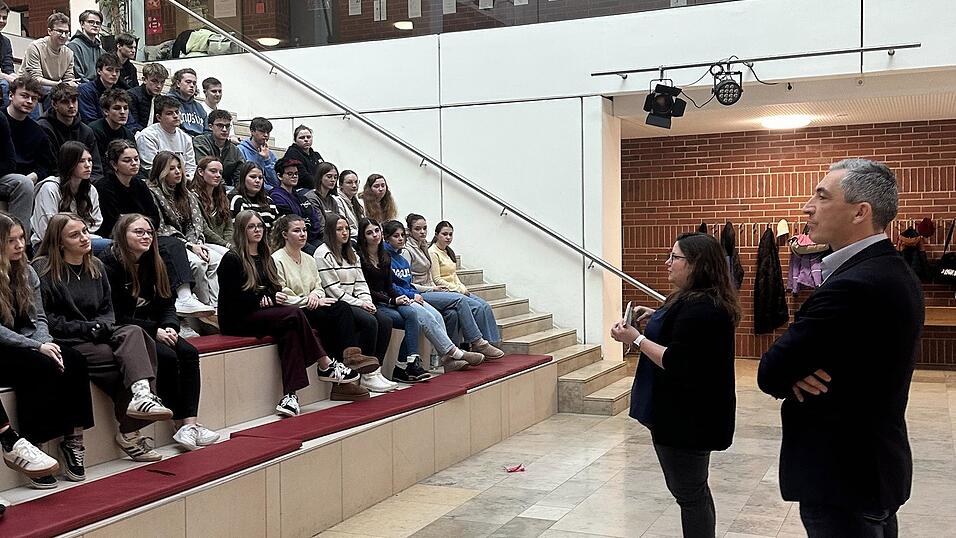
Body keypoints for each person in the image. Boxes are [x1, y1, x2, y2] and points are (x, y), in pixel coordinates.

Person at [757, 160, 923, 537]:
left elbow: (770, 371)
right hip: (869, 470)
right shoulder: (887, 269)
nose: (807, 207)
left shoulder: (856, 284)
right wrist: (796, 371)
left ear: (860, 212)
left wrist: (792, 373)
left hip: (843, 476)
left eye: (822, 196)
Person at [609, 232, 740, 538]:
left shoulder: (703, 308)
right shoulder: (696, 301)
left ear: (696, 265)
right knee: (693, 492)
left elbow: (679, 360)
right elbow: (685, 333)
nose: (667, 263)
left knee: (690, 495)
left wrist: (636, 339)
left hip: (687, 419)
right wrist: (656, 316)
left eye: (675, 257)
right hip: (683, 414)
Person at [34, 213, 172, 463]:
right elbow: (47, 318)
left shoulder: (96, 266)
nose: (85, 238)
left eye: (85, 231)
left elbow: (109, 310)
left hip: (100, 332)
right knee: (124, 361)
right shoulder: (43, 269)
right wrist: (88, 328)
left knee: (135, 332)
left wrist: (103, 326)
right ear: (59, 241)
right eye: (75, 235)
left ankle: (142, 394)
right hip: (70, 340)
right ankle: (130, 431)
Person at [216, 210, 359, 417]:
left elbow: (273, 287)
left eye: (259, 226)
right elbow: (231, 299)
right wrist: (260, 299)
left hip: (262, 312)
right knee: (294, 314)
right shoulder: (232, 258)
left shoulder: (264, 255)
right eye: (251, 226)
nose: (257, 230)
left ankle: (290, 397)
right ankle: (325, 363)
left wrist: (273, 297)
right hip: (237, 319)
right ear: (241, 230)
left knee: (290, 331)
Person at [100, 214, 219, 450]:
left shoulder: (154, 261)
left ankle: (190, 425)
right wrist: (155, 331)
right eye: (138, 232)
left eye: (149, 232)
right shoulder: (108, 264)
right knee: (167, 357)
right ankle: (179, 425)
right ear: (122, 235)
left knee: (188, 352)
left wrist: (170, 326)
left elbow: (167, 304)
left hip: (154, 327)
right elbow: (115, 316)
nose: (146, 236)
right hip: (126, 332)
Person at [0, 212, 94, 489]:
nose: (20, 245)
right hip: (4, 347)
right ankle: (34, 443)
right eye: (10, 241)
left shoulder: (27, 271)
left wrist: (46, 343)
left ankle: (73, 441)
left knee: (74, 359)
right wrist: (37, 346)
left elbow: (39, 317)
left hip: (29, 340)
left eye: (21, 238)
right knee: (38, 364)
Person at [358, 218, 483, 381]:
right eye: (396, 236)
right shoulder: (365, 257)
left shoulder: (388, 257)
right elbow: (379, 287)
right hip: (383, 301)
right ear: (387, 237)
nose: (401, 239)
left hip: (401, 296)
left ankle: (435, 360)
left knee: (438, 315)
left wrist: (416, 293)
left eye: (402, 235)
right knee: (419, 315)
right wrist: (402, 298)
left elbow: (396, 285)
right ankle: (455, 352)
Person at [95, 140, 209, 317]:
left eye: (136, 159)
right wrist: (138, 223)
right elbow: (111, 221)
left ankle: (186, 297)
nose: (134, 163)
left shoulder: (139, 184)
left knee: (173, 243)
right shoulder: (104, 187)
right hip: (118, 238)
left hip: (144, 234)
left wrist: (136, 223)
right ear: (113, 164)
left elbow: (154, 218)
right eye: (127, 160)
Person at [271, 215, 378, 401]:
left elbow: (318, 286)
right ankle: (340, 374)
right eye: (297, 231)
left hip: (312, 303)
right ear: (284, 235)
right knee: (335, 315)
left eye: (304, 230)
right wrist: (307, 299)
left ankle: (349, 360)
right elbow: (282, 291)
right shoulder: (277, 258)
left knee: (342, 309)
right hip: (295, 309)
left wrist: (316, 295)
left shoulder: (309, 258)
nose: (303, 234)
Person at [392, 218, 503, 358]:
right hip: (419, 292)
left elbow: (440, 276)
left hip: (432, 288)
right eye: (417, 229)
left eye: (424, 228)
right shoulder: (408, 251)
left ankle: (454, 355)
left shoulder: (423, 246)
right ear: (410, 231)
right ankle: (477, 341)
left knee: (453, 313)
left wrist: (441, 287)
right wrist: (432, 289)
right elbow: (407, 282)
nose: (422, 232)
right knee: (460, 301)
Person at [314, 215, 398, 393]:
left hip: (356, 300)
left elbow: (361, 283)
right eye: (339, 229)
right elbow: (332, 290)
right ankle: (365, 374)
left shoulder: (351, 252)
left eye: (346, 228)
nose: (344, 233)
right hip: (339, 303)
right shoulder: (323, 254)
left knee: (385, 320)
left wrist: (367, 301)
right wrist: (360, 303)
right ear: (330, 231)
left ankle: (375, 370)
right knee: (369, 322)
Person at [148, 151, 224, 310]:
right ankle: (205, 306)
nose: (177, 172)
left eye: (179, 168)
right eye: (171, 168)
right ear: (160, 171)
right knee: (198, 263)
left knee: (220, 259)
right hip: (170, 243)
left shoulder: (187, 194)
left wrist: (195, 243)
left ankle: (217, 305)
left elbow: (194, 224)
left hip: (193, 240)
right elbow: (161, 227)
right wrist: (189, 245)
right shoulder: (152, 192)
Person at [428, 221, 503, 349]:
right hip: (446, 291)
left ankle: (493, 342)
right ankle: (482, 344)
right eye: (444, 234)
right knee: (477, 307)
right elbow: (437, 279)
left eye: (450, 234)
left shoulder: (448, 251)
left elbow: (453, 275)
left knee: (485, 305)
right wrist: (457, 289)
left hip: (458, 289)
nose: (448, 237)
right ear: (436, 235)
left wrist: (463, 288)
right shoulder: (433, 252)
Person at [2, 77, 56, 241]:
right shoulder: (0, 119)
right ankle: (20, 243)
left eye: (34, 98)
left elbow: (47, 164)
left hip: (22, 181)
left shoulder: (37, 132)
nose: (29, 101)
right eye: (24, 96)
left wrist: (34, 176)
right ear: (11, 95)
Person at [31, 141, 106, 252]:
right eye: (81, 161)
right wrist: (73, 235)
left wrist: (79, 234)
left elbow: (96, 221)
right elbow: (46, 229)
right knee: (110, 247)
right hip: (48, 245)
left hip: (81, 239)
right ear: (69, 163)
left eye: (90, 160)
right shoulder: (49, 188)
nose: (88, 165)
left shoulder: (90, 189)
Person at [37, 82, 104, 181]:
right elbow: (50, 168)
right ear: (54, 104)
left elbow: (97, 169)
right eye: (65, 102)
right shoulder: (43, 128)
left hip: (85, 183)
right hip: (56, 182)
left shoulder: (86, 131)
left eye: (74, 101)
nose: (71, 106)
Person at [20, 13, 77, 103]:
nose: (63, 35)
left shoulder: (69, 53)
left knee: (79, 92)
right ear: (49, 31)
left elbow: (68, 78)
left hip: (54, 86)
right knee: (52, 92)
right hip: (28, 85)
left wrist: (72, 84)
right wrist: (60, 84)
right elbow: (36, 79)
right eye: (59, 31)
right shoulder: (35, 47)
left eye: (66, 32)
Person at [135, 95, 197, 178]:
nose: (175, 116)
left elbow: (191, 168)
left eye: (177, 112)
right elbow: (151, 168)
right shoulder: (147, 136)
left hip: (182, 182)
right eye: (169, 113)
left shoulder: (186, 138)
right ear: (159, 117)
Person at [271, 157, 322, 254]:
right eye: (290, 174)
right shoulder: (276, 196)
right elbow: (289, 222)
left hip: (310, 238)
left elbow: (314, 218)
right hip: (292, 241)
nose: (294, 176)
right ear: (279, 176)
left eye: (296, 174)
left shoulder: (301, 196)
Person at [190, 156, 234, 250]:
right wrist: (226, 245)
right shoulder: (192, 197)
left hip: (224, 246)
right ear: (201, 172)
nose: (218, 175)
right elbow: (204, 229)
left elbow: (229, 227)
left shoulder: (223, 198)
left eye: (220, 172)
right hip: (203, 243)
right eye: (213, 171)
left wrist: (228, 243)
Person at [193, 109, 244, 185]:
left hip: (227, 190)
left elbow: (240, 176)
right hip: (204, 186)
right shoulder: (201, 141)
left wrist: (238, 192)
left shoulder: (235, 150)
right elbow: (206, 169)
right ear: (210, 127)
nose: (224, 129)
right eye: (220, 125)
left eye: (227, 126)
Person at [88, 89, 135, 164]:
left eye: (125, 108)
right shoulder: (93, 130)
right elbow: (96, 162)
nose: (122, 112)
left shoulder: (128, 134)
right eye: (117, 108)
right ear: (106, 111)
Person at [230, 162, 279, 230]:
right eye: (252, 177)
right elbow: (236, 229)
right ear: (243, 178)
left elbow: (276, 229)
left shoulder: (269, 201)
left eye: (260, 177)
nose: (257, 181)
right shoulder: (236, 199)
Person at [77, 52, 121, 124]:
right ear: (99, 71)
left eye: (117, 71)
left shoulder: (118, 92)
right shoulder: (85, 90)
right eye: (109, 70)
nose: (114, 74)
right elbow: (90, 121)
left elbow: (129, 121)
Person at [237, 117, 279, 190]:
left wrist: (267, 160)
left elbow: (276, 182)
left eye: (268, 132)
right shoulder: (241, 150)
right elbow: (242, 178)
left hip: (268, 191)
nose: (266, 135)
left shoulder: (270, 155)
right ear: (252, 131)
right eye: (262, 131)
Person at [65, 9, 104, 84]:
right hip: (82, 88)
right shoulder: (73, 46)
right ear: (82, 24)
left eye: (98, 23)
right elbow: (77, 75)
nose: (95, 25)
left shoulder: (100, 50)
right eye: (91, 22)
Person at [127, 63, 168, 132]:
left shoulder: (161, 100)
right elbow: (132, 124)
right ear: (144, 80)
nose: (159, 86)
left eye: (162, 82)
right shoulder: (132, 95)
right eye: (154, 81)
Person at [168, 68, 207, 138]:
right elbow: (171, 127)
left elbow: (207, 131)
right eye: (188, 82)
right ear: (178, 83)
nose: (192, 85)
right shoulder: (168, 101)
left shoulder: (199, 107)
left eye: (194, 83)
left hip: (200, 143)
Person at [304, 162, 341, 234]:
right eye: (329, 176)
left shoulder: (332, 200)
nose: (333, 180)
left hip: (334, 235)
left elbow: (339, 222)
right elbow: (321, 226)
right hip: (320, 236)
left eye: (335, 177)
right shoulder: (311, 198)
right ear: (320, 177)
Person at [283, 125, 322, 190]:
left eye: (308, 137)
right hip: (301, 189)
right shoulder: (292, 153)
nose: (306, 140)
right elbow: (303, 177)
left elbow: (325, 171)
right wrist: (321, 186)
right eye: (302, 138)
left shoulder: (316, 155)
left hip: (317, 187)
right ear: (295, 140)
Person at [335, 169, 364, 242]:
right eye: (349, 182)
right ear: (341, 185)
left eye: (356, 182)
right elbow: (343, 225)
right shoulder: (337, 200)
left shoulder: (358, 201)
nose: (354, 185)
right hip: (349, 238)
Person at [0, 3, 16, 107]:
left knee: (27, 88)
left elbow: (8, 68)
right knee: (4, 85)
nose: (1, 21)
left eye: (4, 18)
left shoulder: (5, 42)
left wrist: (19, 80)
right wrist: (7, 77)